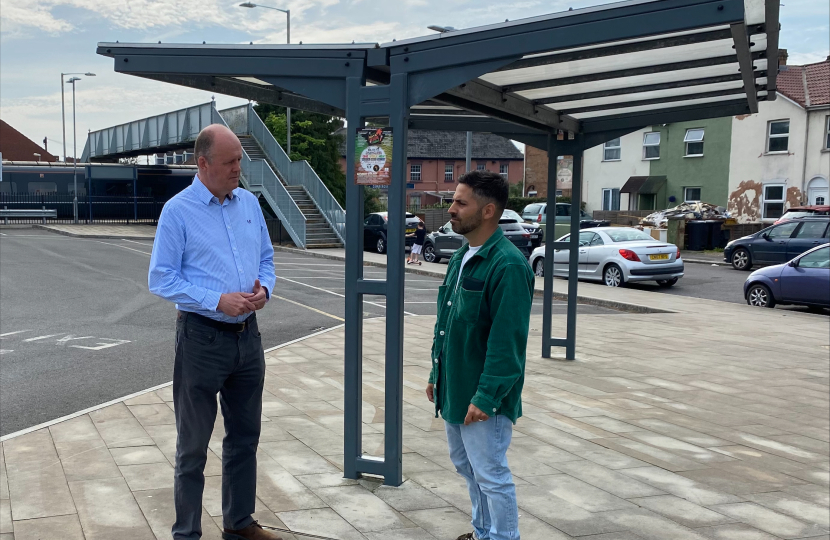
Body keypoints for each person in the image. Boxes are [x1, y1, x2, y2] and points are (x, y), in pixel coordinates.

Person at [148, 124, 280, 540]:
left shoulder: (249, 205)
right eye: (230, 162)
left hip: (249, 337)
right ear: (203, 164)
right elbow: (161, 278)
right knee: (192, 448)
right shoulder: (178, 210)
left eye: (240, 159)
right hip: (202, 339)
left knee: (245, 438)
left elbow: (267, 259)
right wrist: (216, 300)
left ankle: (239, 524)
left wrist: (264, 288)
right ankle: (186, 533)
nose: (238, 168)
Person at [426, 170, 534, 540]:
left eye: (460, 202)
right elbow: (447, 320)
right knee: (467, 467)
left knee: (490, 473)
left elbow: (508, 342)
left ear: (488, 211)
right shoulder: (461, 257)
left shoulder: (508, 265)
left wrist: (487, 397)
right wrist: (435, 373)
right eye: (453, 201)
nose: (451, 209)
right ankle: (482, 531)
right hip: (454, 386)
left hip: (483, 397)